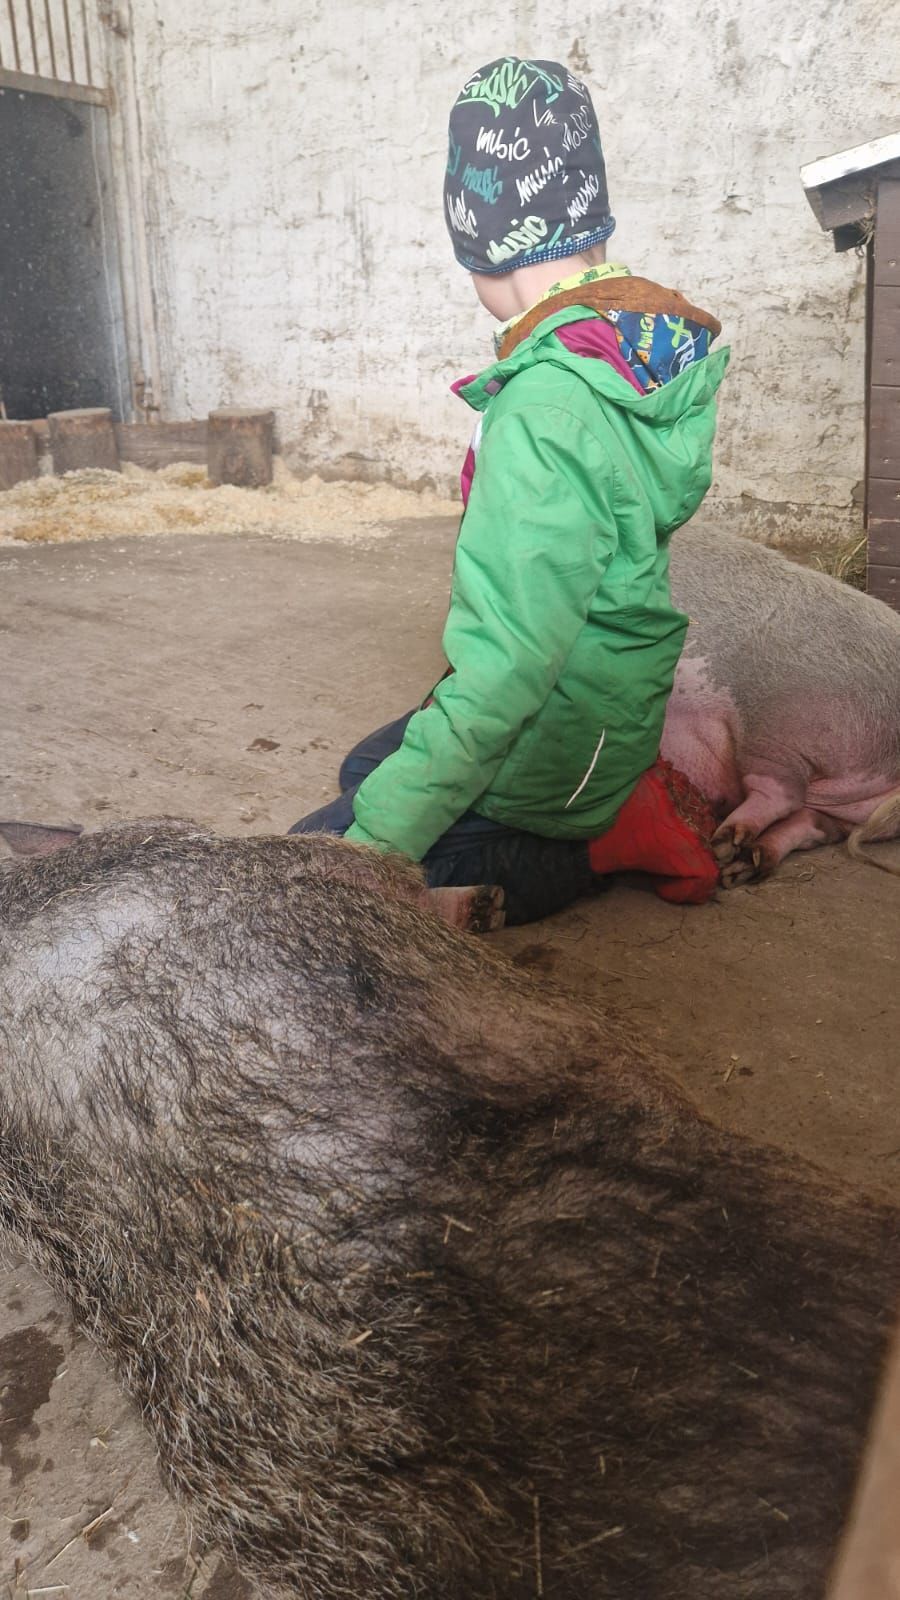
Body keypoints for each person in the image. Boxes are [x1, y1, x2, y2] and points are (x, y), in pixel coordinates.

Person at [291, 55, 729, 926]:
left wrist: (372, 848)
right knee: (364, 767)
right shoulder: (625, 348)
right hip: (609, 705)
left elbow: (509, 668)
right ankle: (608, 800)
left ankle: (593, 847)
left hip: (562, 736)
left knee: (316, 866)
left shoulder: (543, 408)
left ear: (482, 249)